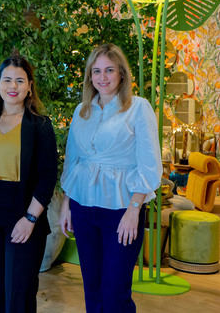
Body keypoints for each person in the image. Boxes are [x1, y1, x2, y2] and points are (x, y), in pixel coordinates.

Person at [58, 43, 162, 313]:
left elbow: (149, 164)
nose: (102, 77)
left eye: (109, 70)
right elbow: (73, 161)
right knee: (92, 289)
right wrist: (66, 204)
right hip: (83, 208)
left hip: (121, 210)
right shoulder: (82, 111)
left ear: (122, 74)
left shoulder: (138, 108)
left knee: (115, 292)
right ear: (89, 76)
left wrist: (134, 209)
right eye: (96, 71)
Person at [0, 54, 58, 313]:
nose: (13, 86)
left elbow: (47, 177)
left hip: (25, 213)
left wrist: (30, 219)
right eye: (7, 80)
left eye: (20, 80)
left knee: (19, 293)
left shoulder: (40, 126)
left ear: (30, 86)